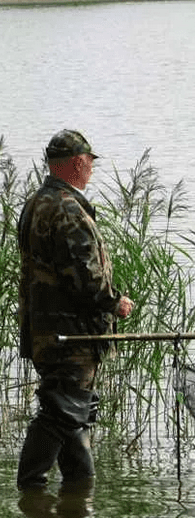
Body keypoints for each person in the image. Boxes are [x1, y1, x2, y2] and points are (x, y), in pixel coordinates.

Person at [16, 129, 135, 490]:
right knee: (60, 413)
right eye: (90, 163)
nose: (92, 170)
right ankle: (31, 486)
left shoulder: (36, 202)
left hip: (44, 330)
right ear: (78, 163)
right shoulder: (67, 207)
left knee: (72, 413)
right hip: (72, 336)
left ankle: (77, 494)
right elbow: (84, 276)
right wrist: (116, 304)